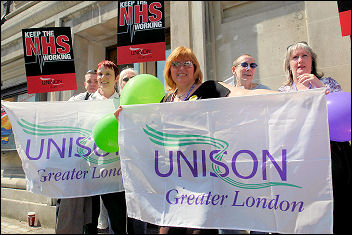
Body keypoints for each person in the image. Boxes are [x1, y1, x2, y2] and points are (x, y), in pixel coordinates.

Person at [114, 46, 276, 234]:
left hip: (206, 182)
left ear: (195, 68)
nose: (181, 68)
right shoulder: (165, 100)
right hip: (174, 183)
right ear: (168, 70)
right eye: (175, 64)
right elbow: (151, 134)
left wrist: (291, 97)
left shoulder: (210, 89)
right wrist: (127, 119)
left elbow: (244, 95)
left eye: (187, 63)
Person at [279, 41, 351, 234]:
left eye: (305, 56)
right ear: (289, 65)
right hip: (303, 157)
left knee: (339, 206)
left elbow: (341, 111)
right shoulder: (283, 92)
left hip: (334, 153)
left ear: (312, 61)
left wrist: (319, 88)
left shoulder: (329, 83)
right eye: (295, 57)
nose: (300, 60)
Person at [55, 70, 100, 234]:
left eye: (96, 81)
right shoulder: (76, 100)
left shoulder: (107, 100)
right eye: (90, 81)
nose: (93, 84)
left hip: (99, 163)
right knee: (70, 205)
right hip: (77, 162)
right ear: (84, 83)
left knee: (92, 206)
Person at [89, 60, 127, 234]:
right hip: (90, 170)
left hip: (115, 170)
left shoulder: (123, 103)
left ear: (116, 78)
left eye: (108, 74)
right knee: (89, 220)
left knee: (117, 220)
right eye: (100, 74)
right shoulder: (85, 102)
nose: (103, 78)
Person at [118, 67, 149, 234]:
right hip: (115, 172)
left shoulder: (147, 105)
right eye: (125, 79)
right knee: (118, 217)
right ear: (119, 84)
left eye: (133, 79)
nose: (129, 82)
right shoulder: (111, 104)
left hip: (140, 170)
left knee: (138, 217)